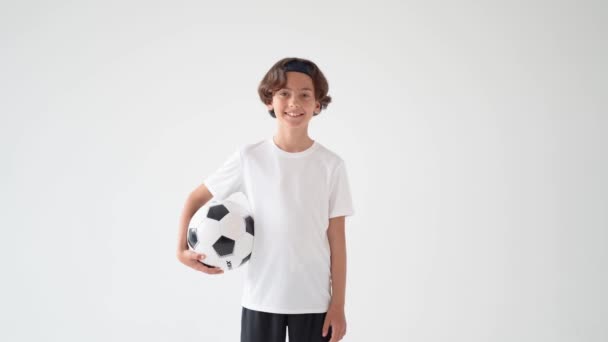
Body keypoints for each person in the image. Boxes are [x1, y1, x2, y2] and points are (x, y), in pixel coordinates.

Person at [176, 57, 355, 342]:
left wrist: (338, 305)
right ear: (269, 100)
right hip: (261, 299)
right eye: (284, 93)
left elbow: (337, 241)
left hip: (314, 304)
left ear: (318, 104)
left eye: (305, 95)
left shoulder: (331, 165)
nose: (294, 102)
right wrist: (180, 250)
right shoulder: (250, 158)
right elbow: (195, 197)